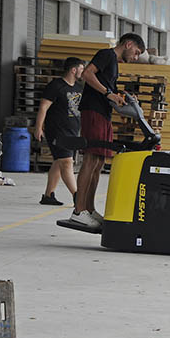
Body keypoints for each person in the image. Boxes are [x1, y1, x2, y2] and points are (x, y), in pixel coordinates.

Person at [69, 33, 145, 231]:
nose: (135, 57)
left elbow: (107, 85)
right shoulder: (106, 55)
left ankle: (90, 209)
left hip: (103, 112)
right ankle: (79, 211)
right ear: (128, 44)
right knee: (91, 159)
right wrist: (107, 93)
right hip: (93, 110)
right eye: (136, 52)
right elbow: (87, 74)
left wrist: (122, 96)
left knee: (100, 160)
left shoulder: (113, 63)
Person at [34, 57, 84, 206]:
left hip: (72, 131)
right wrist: (38, 127)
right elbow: (43, 107)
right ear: (73, 70)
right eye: (81, 69)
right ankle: (78, 196)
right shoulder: (56, 86)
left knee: (58, 162)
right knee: (67, 162)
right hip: (57, 130)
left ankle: (48, 195)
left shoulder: (78, 88)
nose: (83, 72)